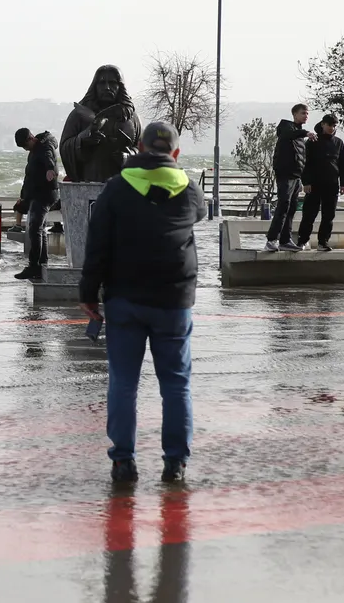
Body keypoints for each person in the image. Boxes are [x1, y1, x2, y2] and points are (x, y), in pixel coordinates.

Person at [79, 121, 207, 484]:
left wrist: (88, 294)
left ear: (138, 147)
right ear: (177, 153)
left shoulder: (116, 189)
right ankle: (175, 464)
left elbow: (97, 244)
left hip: (125, 299)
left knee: (123, 382)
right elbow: (199, 215)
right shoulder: (190, 190)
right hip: (174, 301)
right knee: (176, 384)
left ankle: (123, 462)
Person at [59, 65, 142, 183]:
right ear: (95, 86)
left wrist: (128, 156)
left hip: (123, 184)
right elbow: (65, 147)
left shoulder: (132, 117)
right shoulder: (79, 115)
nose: (107, 87)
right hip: (89, 181)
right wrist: (82, 140)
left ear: (120, 86)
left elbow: (142, 150)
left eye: (113, 83)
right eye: (102, 83)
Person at [266, 103, 315, 252]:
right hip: (285, 175)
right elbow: (289, 134)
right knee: (283, 205)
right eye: (302, 113)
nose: (305, 116)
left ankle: (285, 240)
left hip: (296, 177)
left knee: (291, 208)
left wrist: (303, 179)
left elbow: (302, 158)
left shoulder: (300, 135)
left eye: (307, 114)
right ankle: (271, 239)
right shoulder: (286, 128)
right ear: (294, 114)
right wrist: (306, 133)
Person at [298, 113, 344, 251]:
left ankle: (323, 242)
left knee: (328, 216)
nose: (332, 128)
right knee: (309, 214)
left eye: (334, 126)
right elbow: (305, 163)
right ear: (323, 124)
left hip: (332, 184)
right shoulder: (312, 141)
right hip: (314, 184)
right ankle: (302, 241)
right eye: (329, 125)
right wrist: (306, 182)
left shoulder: (338, 143)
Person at [13, 127, 60, 281]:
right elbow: (29, 176)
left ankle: (34, 266)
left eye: (25, 146)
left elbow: (49, 159)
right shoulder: (33, 151)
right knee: (41, 230)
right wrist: (23, 197)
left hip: (44, 195)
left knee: (34, 229)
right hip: (35, 195)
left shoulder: (44, 147)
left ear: (31, 138)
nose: (25, 149)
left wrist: (49, 170)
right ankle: (42, 265)